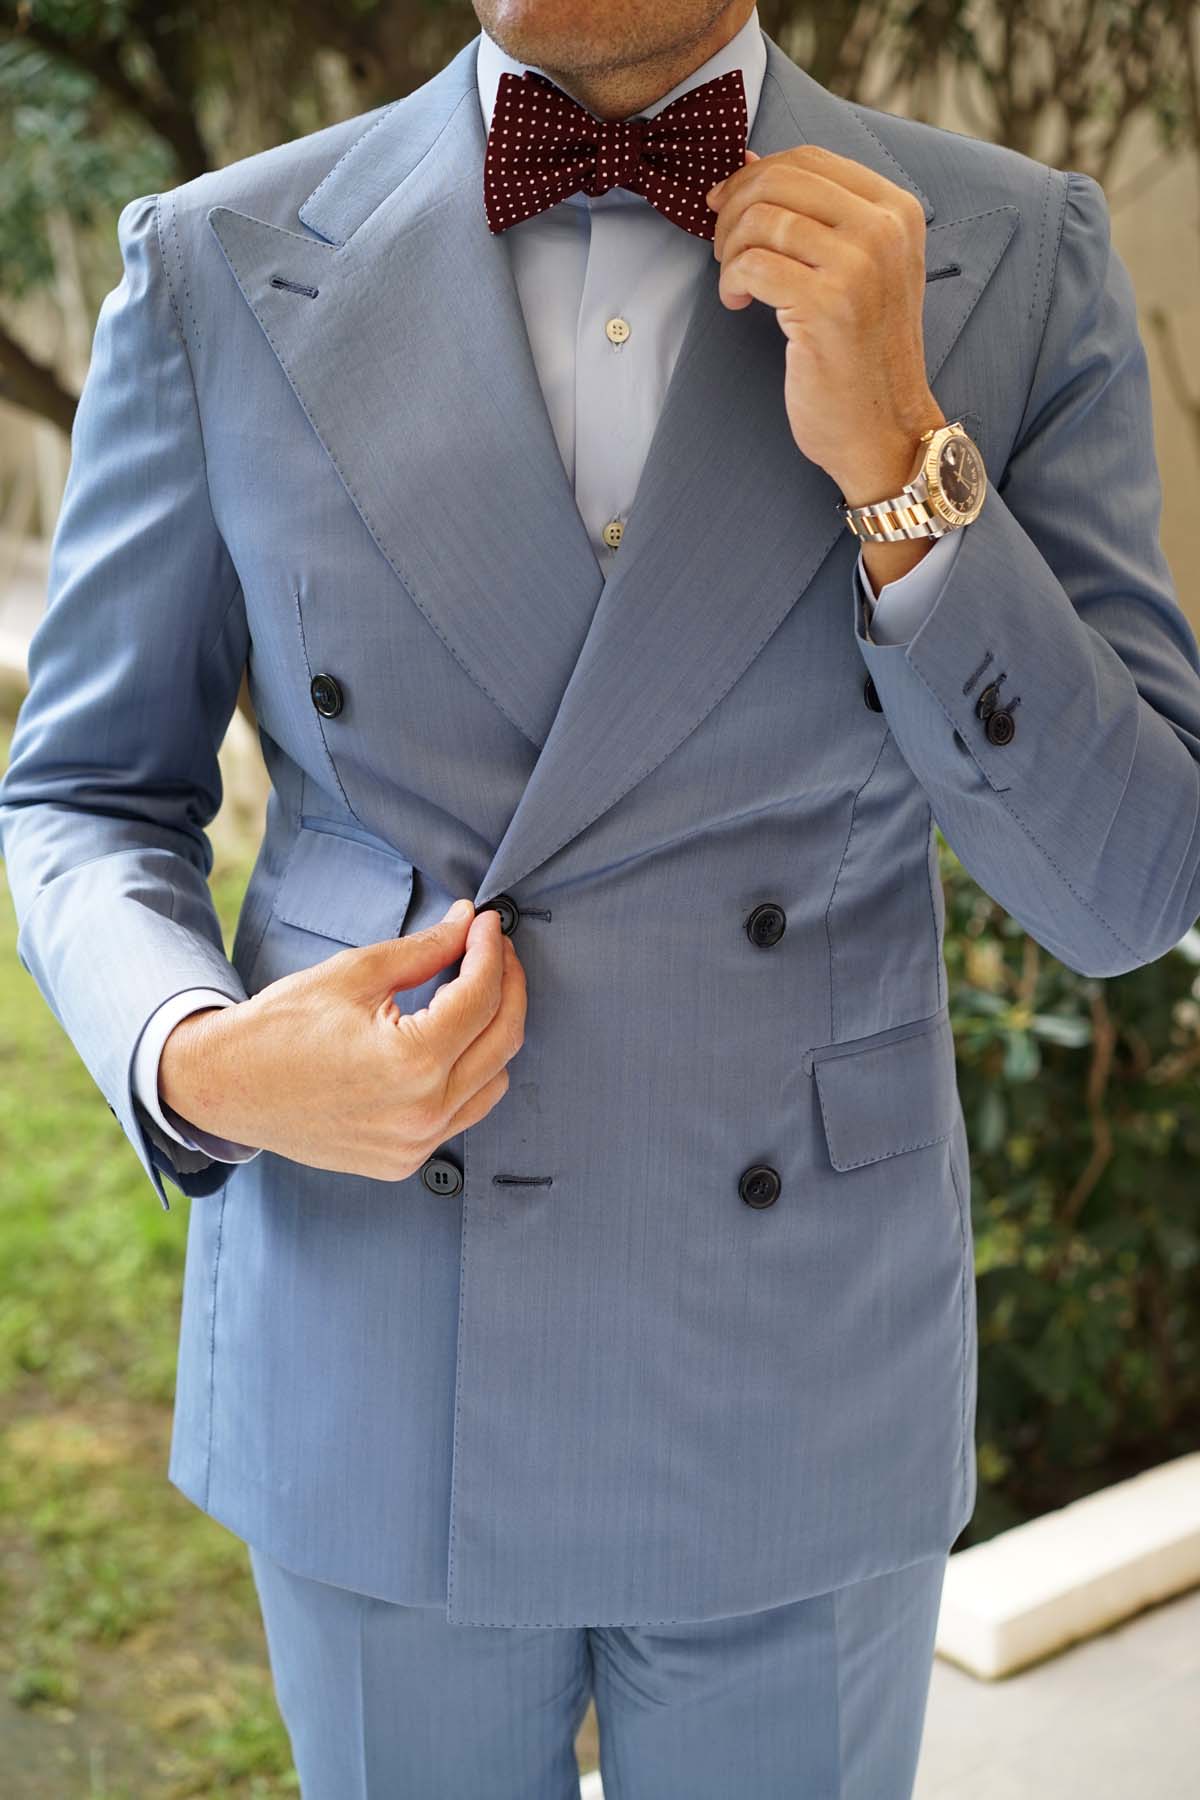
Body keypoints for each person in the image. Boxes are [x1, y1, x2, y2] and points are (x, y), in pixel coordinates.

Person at [4, 1, 1200, 1794]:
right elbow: (85, 796)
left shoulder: (1010, 254)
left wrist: (899, 459)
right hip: (380, 1327)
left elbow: (1127, 892)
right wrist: (200, 1058)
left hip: (799, 1371)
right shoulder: (217, 263)